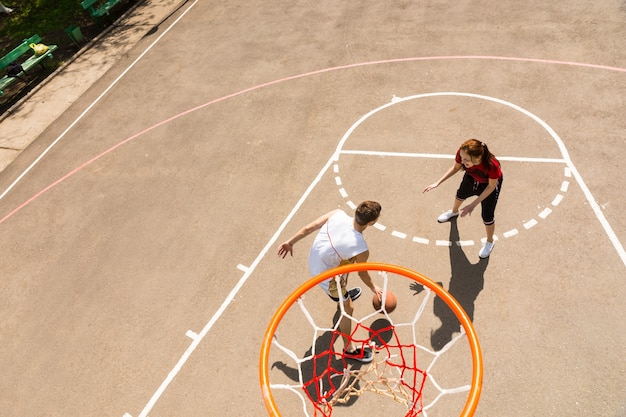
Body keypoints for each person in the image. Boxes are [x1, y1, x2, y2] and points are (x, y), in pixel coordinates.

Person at [278, 201, 384, 363]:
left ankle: (343, 295)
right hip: (327, 278)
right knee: (348, 308)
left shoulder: (337, 214)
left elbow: (309, 227)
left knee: (345, 264)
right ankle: (349, 349)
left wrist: (290, 242)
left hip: (315, 261)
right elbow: (362, 272)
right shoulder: (361, 247)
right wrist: (373, 287)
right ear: (372, 223)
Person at [423, 138, 503, 258]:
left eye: (466, 160)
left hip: (488, 186)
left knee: (487, 216)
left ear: (478, 158)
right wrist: (437, 182)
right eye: (462, 157)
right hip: (472, 178)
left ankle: (489, 242)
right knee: (460, 195)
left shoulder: (492, 166)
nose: (462, 161)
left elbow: (491, 187)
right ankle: (454, 213)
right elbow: (456, 168)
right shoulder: (462, 153)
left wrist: (473, 205)